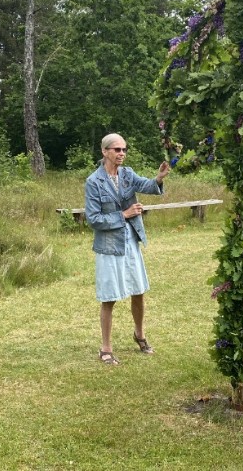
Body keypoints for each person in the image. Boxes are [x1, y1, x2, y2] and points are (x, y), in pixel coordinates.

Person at [85, 133, 171, 365]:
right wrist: (124, 214)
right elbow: (93, 219)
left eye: (124, 149)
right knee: (109, 297)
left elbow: (148, 185)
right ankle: (106, 347)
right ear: (105, 152)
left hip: (131, 241)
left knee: (138, 290)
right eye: (116, 150)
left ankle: (139, 334)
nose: (121, 153)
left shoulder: (127, 174)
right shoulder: (94, 182)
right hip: (109, 246)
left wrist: (159, 178)